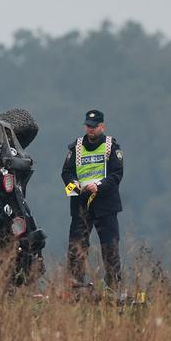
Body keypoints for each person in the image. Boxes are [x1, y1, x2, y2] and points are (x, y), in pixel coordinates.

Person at [60, 108, 125, 290]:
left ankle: (113, 286)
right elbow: (66, 173)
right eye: (88, 126)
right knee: (76, 247)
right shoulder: (76, 147)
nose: (90, 130)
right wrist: (75, 186)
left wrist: (99, 186)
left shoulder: (111, 146)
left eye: (94, 127)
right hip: (81, 204)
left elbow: (116, 174)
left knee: (110, 247)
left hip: (105, 204)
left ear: (102, 127)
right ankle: (75, 286)